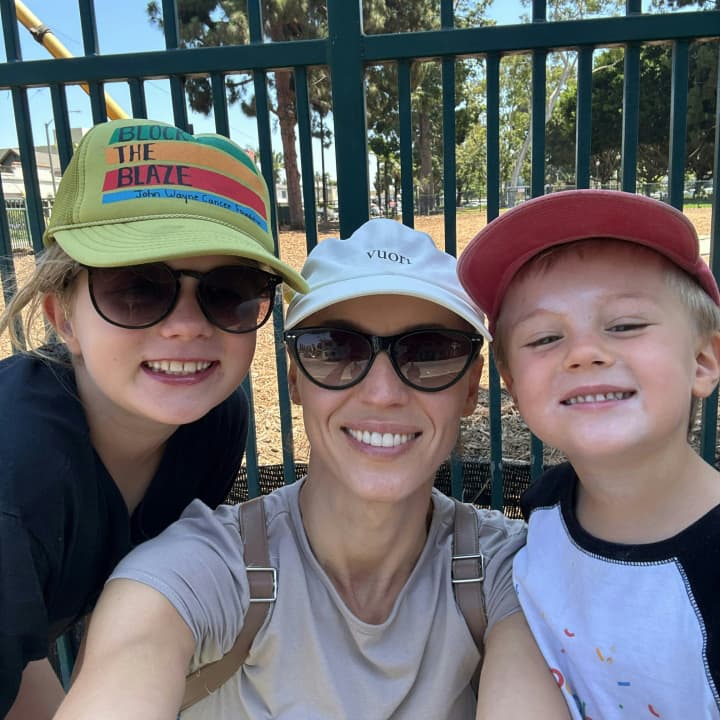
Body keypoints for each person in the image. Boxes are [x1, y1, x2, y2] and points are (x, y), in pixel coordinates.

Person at [53, 218, 569, 719]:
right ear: (296, 378)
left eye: (429, 352)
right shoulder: (198, 572)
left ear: (471, 386)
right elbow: (135, 652)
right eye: (335, 348)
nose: (382, 393)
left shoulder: (513, 574)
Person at [0, 117, 307, 719]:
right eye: (137, 288)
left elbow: (102, 614)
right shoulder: (17, 481)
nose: (188, 326)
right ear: (63, 318)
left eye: (231, 291)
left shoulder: (213, 423)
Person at [457, 189, 720, 719]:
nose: (583, 353)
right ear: (512, 384)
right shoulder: (545, 511)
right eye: (544, 338)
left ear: (702, 361)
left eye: (625, 325)